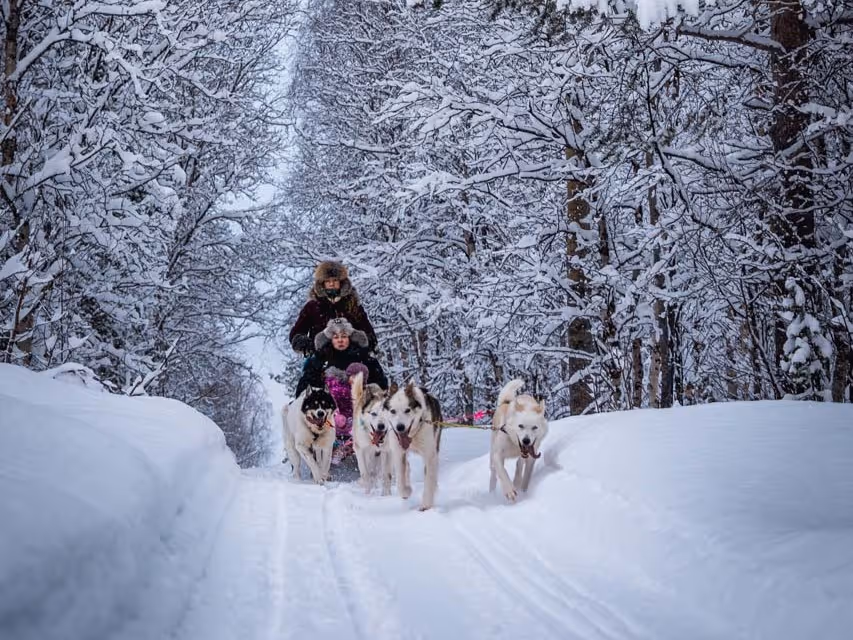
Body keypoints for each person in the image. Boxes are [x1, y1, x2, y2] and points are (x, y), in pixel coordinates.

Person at [295, 318, 388, 463]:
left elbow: (380, 381)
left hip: (357, 404)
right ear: (330, 339)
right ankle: (330, 447)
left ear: (350, 337)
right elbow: (307, 380)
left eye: (344, 336)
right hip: (331, 406)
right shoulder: (320, 358)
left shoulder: (364, 357)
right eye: (336, 337)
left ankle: (356, 443)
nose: (340, 340)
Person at [289, 261, 378, 356]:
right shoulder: (312, 307)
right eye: (327, 281)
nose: (331, 284)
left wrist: (359, 345)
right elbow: (296, 335)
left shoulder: (352, 304)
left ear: (341, 282)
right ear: (322, 283)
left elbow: (369, 333)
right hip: (321, 359)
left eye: (335, 280)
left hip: (351, 358)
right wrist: (311, 346)